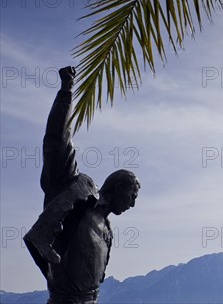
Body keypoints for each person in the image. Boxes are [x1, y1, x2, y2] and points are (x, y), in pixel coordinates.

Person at [23, 66, 140, 304]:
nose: (133, 203)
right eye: (132, 195)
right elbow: (58, 141)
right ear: (117, 187)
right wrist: (66, 92)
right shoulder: (74, 193)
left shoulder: (106, 229)